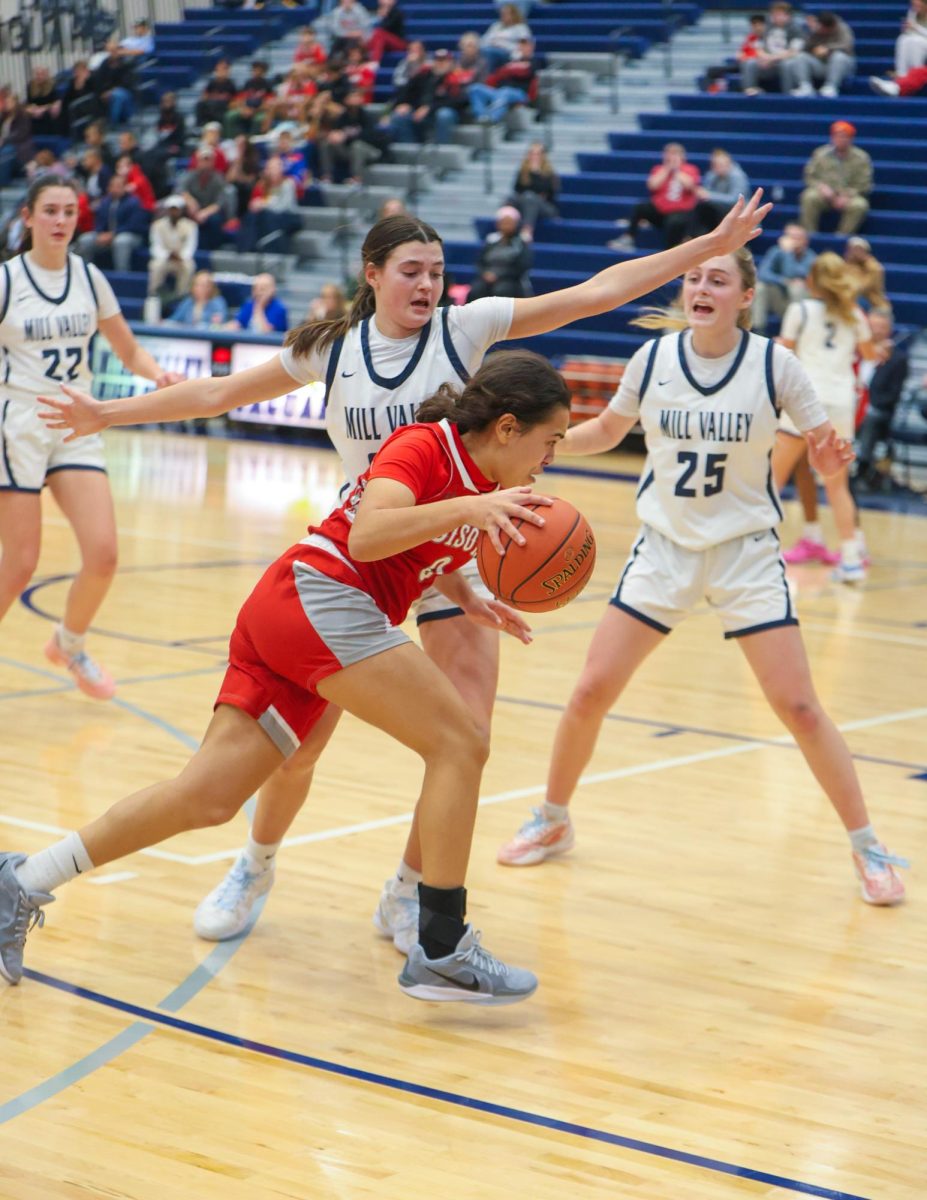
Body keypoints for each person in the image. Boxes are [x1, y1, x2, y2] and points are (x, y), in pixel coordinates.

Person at [36, 199, 772, 950]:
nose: (427, 285)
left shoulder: (466, 329)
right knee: (300, 752)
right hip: (362, 558)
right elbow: (215, 394)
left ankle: (408, 893)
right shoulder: (336, 349)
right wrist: (107, 415)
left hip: (447, 557)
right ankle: (255, 864)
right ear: (373, 274)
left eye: (438, 272)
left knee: (464, 736)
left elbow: (592, 293)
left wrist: (700, 248)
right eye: (412, 272)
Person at [4, 350, 574, 1004]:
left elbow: (416, 548)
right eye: (548, 440)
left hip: (294, 609)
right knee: (461, 743)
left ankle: (22, 879)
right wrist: (467, 515)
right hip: (322, 596)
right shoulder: (424, 445)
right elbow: (368, 534)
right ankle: (441, 944)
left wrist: (466, 592)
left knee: (207, 797)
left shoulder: (478, 484)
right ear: (507, 428)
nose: (550, 456)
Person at [495, 248, 907, 908]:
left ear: (745, 296)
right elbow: (607, 428)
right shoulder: (652, 361)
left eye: (717, 279)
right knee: (589, 689)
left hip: (744, 553)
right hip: (664, 549)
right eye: (693, 277)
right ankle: (552, 818)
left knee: (798, 707)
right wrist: (547, 442)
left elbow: (823, 451)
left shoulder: (774, 363)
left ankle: (867, 846)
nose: (700, 287)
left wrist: (832, 459)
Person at [0, 178, 182, 701]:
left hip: (79, 422)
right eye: (50, 211)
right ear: (29, 217)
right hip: (19, 425)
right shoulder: (9, 281)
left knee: (103, 555)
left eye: (68, 211)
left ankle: (69, 643)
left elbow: (128, 351)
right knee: (19, 563)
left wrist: (157, 375)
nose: (60, 220)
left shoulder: (88, 277)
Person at [774, 253, 877, 581]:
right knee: (837, 487)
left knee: (771, 481)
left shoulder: (799, 310)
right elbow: (871, 354)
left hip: (804, 402)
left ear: (811, 281)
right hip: (840, 404)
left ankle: (757, 552)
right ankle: (850, 560)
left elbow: (785, 353)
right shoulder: (855, 314)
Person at [609, 143, 701, 253]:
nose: (671, 157)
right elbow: (652, 185)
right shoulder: (659, 169)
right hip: (661, 210)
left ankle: (669, 252)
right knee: (641, 207)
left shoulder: (690, 169)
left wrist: (676, 171)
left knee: (674, 222)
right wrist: (667, 169)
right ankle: (628, 238)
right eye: (668, 154)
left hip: (680, 212)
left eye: (675, 154)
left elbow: (690, 185)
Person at [854, 310, 909, 490]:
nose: (876, 330)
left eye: (881, 327)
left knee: (870, 417)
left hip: (877, 411)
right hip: (850, 405)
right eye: (872, 326)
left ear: (890, 330)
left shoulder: (897, 359)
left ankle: (861, 471)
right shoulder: (855, 352)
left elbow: (893, 395)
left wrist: (868, 403)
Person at [799, 122, 873, 236]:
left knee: (860, 205)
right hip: (825, 195)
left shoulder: (861, 158)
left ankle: (841, 236)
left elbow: (865, 184)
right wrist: (821, 187)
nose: (841, 139)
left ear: (851, 139)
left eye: (844, 136)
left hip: (848, 197)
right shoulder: (820, 154)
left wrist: (848, 194)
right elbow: (809, 176)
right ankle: (810, 235)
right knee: (809, 197)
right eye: (837, 136)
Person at [75, 173, 150, 273]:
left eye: (118, 186)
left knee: (121, 241)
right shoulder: (105, 202)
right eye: (112, 186)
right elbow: (99, 222)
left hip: (131, 235)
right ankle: (86, 273)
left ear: (125, 187)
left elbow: (134, 225)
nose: (115, 189)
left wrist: (113, 234)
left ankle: (122, 275)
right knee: (85, 239)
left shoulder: (134, 202)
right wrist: (100, 233)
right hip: (108, 235)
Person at [752, 222, 815, 332]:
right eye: (791, 237)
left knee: (797, 288)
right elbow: (762, 273)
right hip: (779, 299)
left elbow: (794, 272)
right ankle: (758, 330)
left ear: (806, 240)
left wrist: (788, 253)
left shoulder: (811, 257)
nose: (794, 241)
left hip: (800, 301)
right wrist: (783, 281)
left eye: (798, 237)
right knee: (760, 287)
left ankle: (796, 331)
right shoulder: (776, 251)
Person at [783, 10, 856, 98]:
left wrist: (828, 49)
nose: (823, 30)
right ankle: (805, 86)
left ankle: (831, 87)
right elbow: (805, 48)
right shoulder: (816, 29)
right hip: (820, 64)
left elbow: (846, 45)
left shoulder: (842, 28)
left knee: (838, 56)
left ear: (832, 27)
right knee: (800, 57)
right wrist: (812, 33)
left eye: (825, 29)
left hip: (841, 66)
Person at [467, 205, 533, 300]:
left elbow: (522, 266)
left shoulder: (521, 242)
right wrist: (485, 273)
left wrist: (499, 275)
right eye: (503, 222)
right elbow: (480, 262)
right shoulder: (491, 240)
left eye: (509, 223)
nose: (506, 225)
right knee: (475, 290)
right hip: (488, 277)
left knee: (501, 291)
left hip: (510, 280)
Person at [740, 1, 805, 95]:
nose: (774, 17)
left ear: (788, 16)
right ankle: (750, 91)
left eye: (778, 14)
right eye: (773, 14)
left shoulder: (796, 30)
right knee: (750, 63)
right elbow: (758, 47)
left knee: (786, 65)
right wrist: (763, 57)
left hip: (785, 61)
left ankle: (787, 94)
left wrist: (771, 58)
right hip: (768, 62)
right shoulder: (767, 27)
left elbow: (793, 52)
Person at [687, 149, 751, 239]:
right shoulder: (712, 175)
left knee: (704, 209)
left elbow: (735, 200)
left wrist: (709, 196)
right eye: (715, 165)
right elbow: (705, 194)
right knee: (701, 208)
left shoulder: (738, 176)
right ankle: (696, 238)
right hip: (718, 212)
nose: (717, 168)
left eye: (721, 165)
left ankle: (697, 239)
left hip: (736, 211)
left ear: (728, 164)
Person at [147, 196, 198, 299]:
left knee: (189, 266)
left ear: (181, 210)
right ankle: (154, 295)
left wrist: (181, 256)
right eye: (171, 209)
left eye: (176, 209)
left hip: (182, 259)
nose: (174, 212)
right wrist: (167, 255)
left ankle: (182, 295)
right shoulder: (157, 225)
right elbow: (156, 246)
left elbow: (190, 247)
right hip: (165, 258)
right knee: (156, 266)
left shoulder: (191, 226)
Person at [507, 141, 559, 242]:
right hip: (525, 202)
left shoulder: (550, 173)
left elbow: (550, 192)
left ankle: (527, 231)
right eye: (531, 153)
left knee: (530, 197)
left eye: (537, 154)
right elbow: (517, 190)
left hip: (546, 207)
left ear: (543, 156)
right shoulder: (522, 172)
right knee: (511, 199)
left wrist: (535, 173)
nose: (534, 156)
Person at [842, 236, 889, 312]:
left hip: (874, 305)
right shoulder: (845, 267)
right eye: (851, 250)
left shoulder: (874, 268)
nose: (854, 253)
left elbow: (861, 288)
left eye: (858, 250)